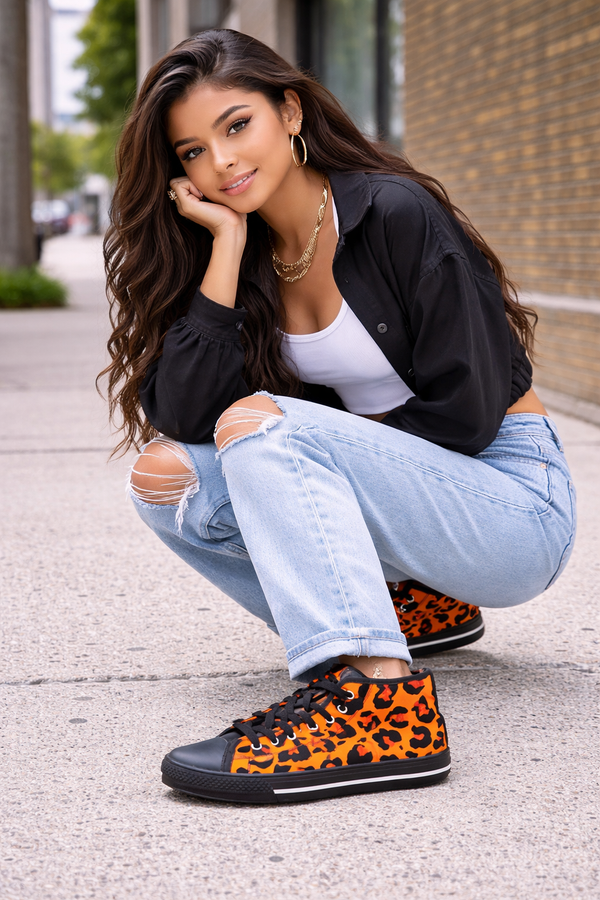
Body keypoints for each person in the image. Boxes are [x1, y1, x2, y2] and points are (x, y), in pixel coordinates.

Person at [102, 30, 576, 804]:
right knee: (167, 481)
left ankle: (379, 700)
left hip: (513, 502)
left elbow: (470, 411)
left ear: (289, 111)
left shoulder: (394, 213)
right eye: (190, 152)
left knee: (265, 426)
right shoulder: (247, 249)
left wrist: (312, 448)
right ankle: (408, 613)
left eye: (235, 127)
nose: (219, 163)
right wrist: (225, 246)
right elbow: (183, 412)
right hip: (416, 508)